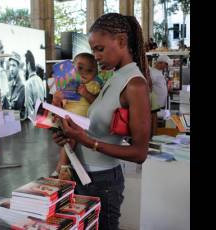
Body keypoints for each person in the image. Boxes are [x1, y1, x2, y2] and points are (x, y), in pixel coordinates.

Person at [52, 13, 151, 230]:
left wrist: (87, 141)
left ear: (122, 41)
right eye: (93, 49)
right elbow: (96, 127)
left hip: (103, 182)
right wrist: (68, 132)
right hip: (82, 174)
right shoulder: (114, 77)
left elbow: (140, 153)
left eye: (100, 48)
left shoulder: (134, 85)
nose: (95, 56)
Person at [51, 53, 103, 181]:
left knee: (71, 140)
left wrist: (86, 93)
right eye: (79, 68)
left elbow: (98, 104)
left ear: (95, 73)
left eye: (89, 70)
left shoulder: (93, 85)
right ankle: (63, 168)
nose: (83, 73)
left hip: (82, 122)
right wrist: (56, 100)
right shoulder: (67, 88)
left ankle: (61, 168)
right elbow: (58, 109)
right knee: (66, 139)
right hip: (67, 119)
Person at [2, 51, 26, 119]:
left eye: (14, 65)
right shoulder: (9, 85)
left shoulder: (22, 87)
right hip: (9, 123)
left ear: (18, 67)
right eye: (10, 65)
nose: (11, 69)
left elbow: (19, 113)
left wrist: (2, 117)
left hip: (19, 125)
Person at [150, 55, 170, 135]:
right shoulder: (151, 71)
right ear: (161, 63)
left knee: (157, 123)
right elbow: (149, 86)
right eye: (166, 64)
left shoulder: (158, 72)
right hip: (154, 105)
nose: (166, 67)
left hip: (159, 106)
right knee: (153, 123)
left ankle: (155, 134)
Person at [24, 50, 45, 120]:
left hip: (34, 122)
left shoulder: (28, 83)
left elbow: (29, 110)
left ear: (28, 64)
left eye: (25, 65)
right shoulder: (40, 80)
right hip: (42, 118)